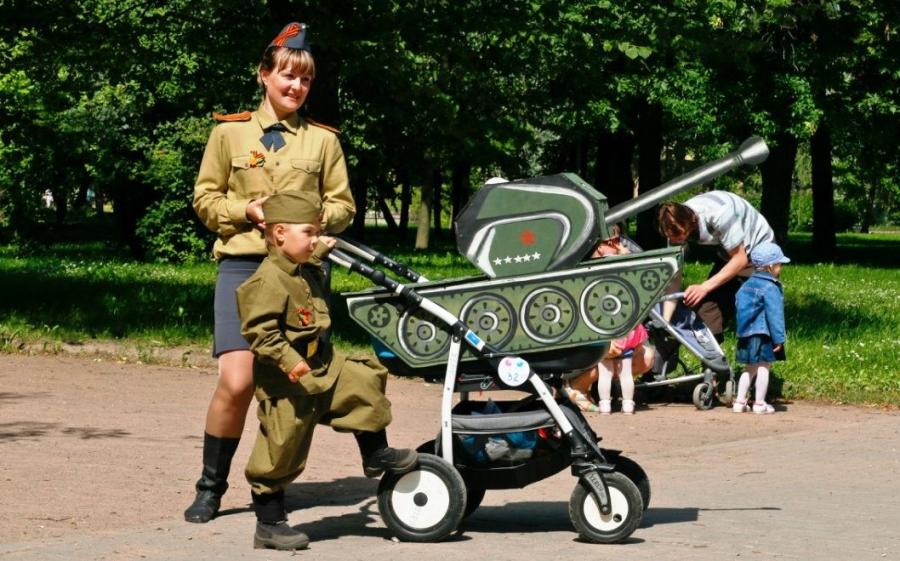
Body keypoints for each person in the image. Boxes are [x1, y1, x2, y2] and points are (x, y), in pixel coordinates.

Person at [185, 22, 356, 524]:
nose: (296, 87)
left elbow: (342, 204)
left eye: (305, 79)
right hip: (243, 267)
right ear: (264, 75)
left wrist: (316, 222)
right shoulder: (229, 133)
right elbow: (205, 197)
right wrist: (247, 212)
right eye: (287, 75)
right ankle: (210, 485)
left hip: (298, 276)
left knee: (286, 383)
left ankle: (270, 491)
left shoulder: (323, 143)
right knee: (237, 382)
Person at [237, 190, 417, 550]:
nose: (315, 239)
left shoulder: (303, 267)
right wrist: (291, 362)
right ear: (279, 234)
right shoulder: (266, 281)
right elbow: (260, 332)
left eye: (318, 232)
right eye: (309, 233)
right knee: (282, 447)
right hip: (289, 379)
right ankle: (269, 525)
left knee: (364, 380)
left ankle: (375, 453)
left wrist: (316, 251)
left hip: (323, 364)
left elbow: (308, 281)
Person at [657, 191, 775, 341]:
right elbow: (674, 277)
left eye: (681, 236)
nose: (677, 242)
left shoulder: (719, 214)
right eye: (672, 239)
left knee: (754, 326)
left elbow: (740, 259)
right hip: (731, 255)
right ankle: (713, 362)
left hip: (760, 254)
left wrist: (704, 287)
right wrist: (665, 321)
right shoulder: (673, 230)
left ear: (690, 222)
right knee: (706, 313)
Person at [564, 225, 654, 414]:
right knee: (609, 355)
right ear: (599, 246)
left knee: (645, 356)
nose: (619, 245)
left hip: (618, 331)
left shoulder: (613, 267)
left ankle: (607, 397)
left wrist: (625, 256)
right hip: (587, 338)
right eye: (613, 242)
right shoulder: (585, 271)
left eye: (619, 240)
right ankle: (576, 385)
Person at [732, 241, 789, 415]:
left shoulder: (745, 285)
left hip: (745, 333)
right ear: (770, 266)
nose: (780, 268)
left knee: (749, 368)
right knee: (764, 366)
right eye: (779, 265)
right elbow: (775, 314)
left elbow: (738, 306)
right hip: (763, 333)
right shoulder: (770, 287)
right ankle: (759, 403)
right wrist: (779, 338)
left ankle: (740, 401)